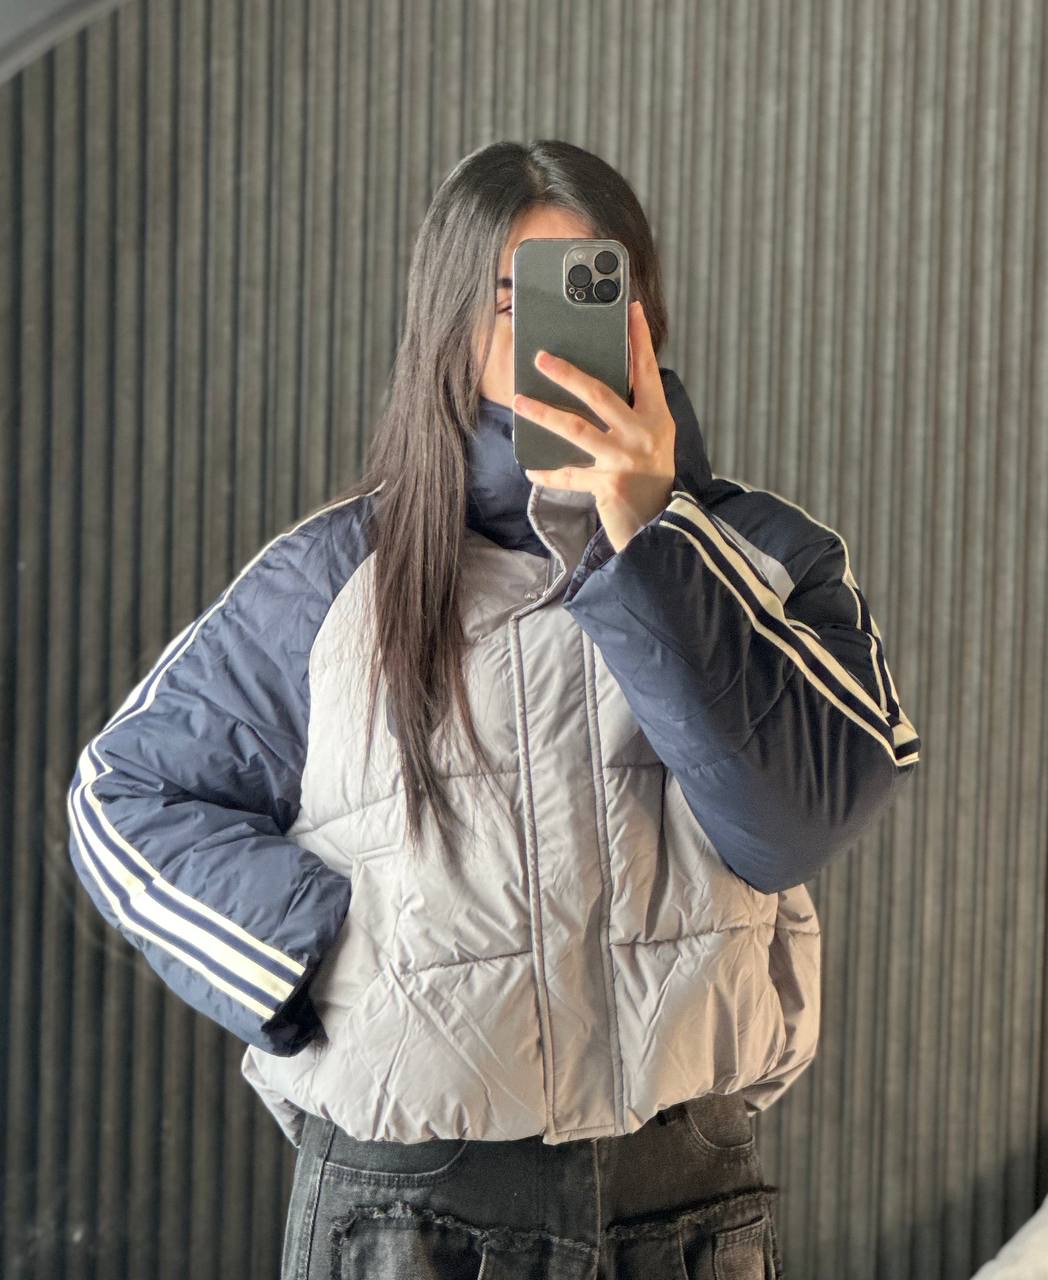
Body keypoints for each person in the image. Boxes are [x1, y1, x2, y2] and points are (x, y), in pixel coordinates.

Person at [66, 139, 920, 1279]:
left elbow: (792, 825)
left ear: (643, 317)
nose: (544, 338)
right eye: (508, 302)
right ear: (451, 326)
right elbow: (119, 799)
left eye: (586, 293)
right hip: (411, 1214)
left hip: (689, 1204)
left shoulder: (767, 556)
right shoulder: (336, 576)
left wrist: (650, 534)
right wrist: (329, 954)